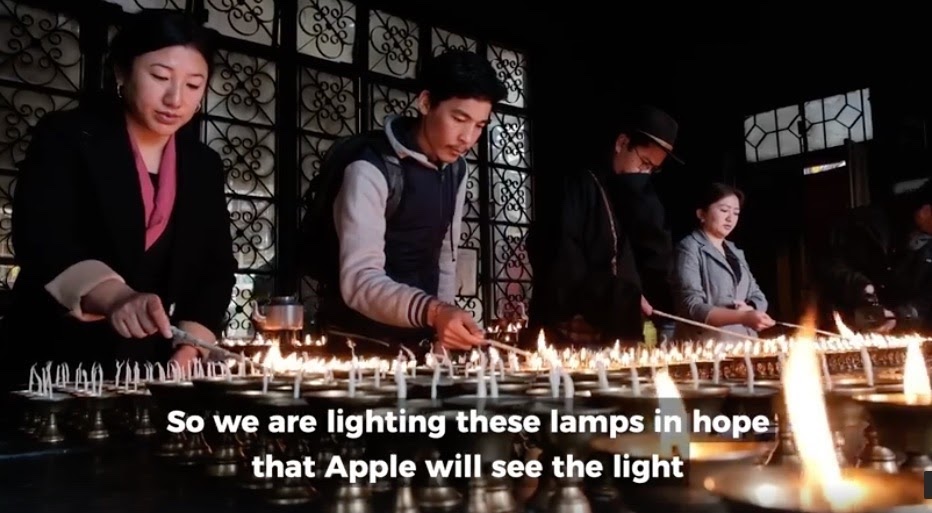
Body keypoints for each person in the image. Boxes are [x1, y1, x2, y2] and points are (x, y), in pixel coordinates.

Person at [0, 9, 235, 388]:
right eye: (159, 77)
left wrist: (191, 347)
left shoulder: (202, 165)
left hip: (154, 364)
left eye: (194, 85)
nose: (175, 98)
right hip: (55, 359)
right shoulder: (69, 137)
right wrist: (115, 297)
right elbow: (44, 237)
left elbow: (216, 268)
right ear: (122, 73)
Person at [313, 49, 507, 354]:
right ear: (426, 102)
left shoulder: (456, 168)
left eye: (480, 126)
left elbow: (446, 256)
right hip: (358, 346)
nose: (467, 139)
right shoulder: (370, 169)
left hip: (420, 340)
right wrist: (435, 312)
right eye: (459, 119)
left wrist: (444, 334)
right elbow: (360, 281)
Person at [525, 105, 681, 347]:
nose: (644, 173)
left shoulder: (633, 195)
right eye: (644, 162)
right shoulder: (578, 185)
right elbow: (560, 260)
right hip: (572, 330)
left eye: (652, 169)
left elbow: (654, 259)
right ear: (621, 143)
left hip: (617, 329)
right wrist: (616, 297)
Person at [822, 178, 932, 333]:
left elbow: (926, 298)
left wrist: (900, 315)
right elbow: (833, 266)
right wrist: (861, 289)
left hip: (899, 330)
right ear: (925, 211)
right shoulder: (868, 224)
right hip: (848, 322)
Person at [672, 183, 774, 341]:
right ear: (701, 213)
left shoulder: (734, 251)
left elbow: (757, 295)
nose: (730, 218)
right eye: (724, 210)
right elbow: (691, 306)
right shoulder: (689, 248)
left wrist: (751, 308)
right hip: (709, 345)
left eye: (736, 213)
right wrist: (742, 317)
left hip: (743, 342)